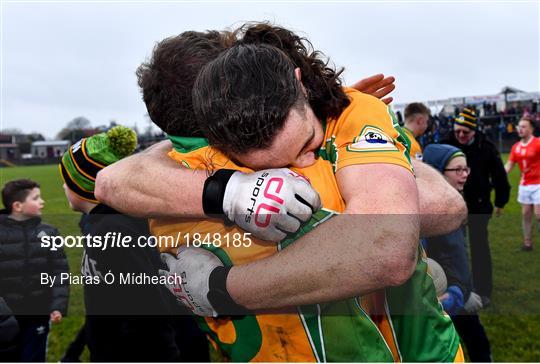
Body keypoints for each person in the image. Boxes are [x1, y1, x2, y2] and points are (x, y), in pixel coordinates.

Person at [98, 26, 465, 361]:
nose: (303, 157)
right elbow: (430, 217)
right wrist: (375, 136)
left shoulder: (158, 189)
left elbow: (111, 180)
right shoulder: (306, 166)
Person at [58, 126, 207, 362]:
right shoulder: (103, 225)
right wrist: (76, 350)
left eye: (66, 180)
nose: (63, 187)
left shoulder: (111, 232)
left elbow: (149, 309)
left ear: (84, 186)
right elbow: (105, 306)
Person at [423, 143, 493, 362]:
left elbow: (458, 256)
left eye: (466, 169)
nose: (464, 175)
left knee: (475, 341)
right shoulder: (436, 210)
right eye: (457, 170)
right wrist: (457, 294)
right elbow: (447, 257)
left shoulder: (451, 199)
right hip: (447, 295)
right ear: (438, 171)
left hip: (458, 290)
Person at [443, 107, 510, 303]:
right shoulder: (446, 144)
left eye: (466, 132)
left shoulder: (486, 147)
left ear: (474, 130)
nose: (461, 135)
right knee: (454, 249)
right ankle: (457, 287)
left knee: (480, 247)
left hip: (479, 206)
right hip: (452, 207)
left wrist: (500, 201)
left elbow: (499, 176)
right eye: (457, 131)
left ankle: (483, 289)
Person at [0, 179, 69, 362]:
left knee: (34, 357)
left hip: (38, 313)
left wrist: (57, 305)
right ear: (18, 206)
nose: (42, 201)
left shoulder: (49, 233)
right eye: (36, 198)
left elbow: (59, 270)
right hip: (6, 318)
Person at [505, 116, 540, 251]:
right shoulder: (516, 147)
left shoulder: (538, 143)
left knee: (538, 214)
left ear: (531, 128)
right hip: (525, 185)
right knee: (525, 214)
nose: (520, 129)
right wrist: (499, 176)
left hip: (538, 183)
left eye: (524, 126)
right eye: (519, 126)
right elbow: (509, 164)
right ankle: (527, 243)